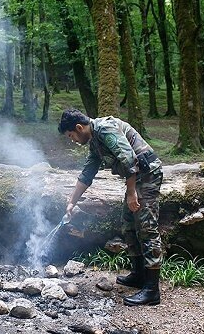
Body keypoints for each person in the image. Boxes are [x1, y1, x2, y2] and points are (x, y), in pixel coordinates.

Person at [58, 109, 163, 306]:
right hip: (137, 179)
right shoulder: (95, 141)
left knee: (146, 228)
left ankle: (151, 290)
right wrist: (72, 201)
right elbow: (87, 172)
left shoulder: (105, 129)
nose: (72, 140)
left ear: (79, 128)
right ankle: (139, 274)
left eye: (71, 135)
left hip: (147, 176)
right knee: (129, 224)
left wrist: (131, 193)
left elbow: (130, 158)